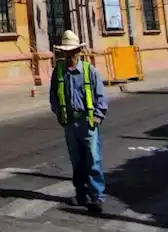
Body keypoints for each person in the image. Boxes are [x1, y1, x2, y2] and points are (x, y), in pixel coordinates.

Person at [49, 30, 108, 213]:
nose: (69, 56)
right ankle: (81, 194)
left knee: (93, 160)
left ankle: (97, 197)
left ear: (78, 52)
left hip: (87, 121)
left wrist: (98, 116)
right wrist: (59, 113)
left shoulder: (90, 72)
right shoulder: (59, 72)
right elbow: (54, 97)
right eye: (66, 52)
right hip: (70, 123)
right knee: (76, 161)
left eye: (72, 52)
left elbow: (100, 96)